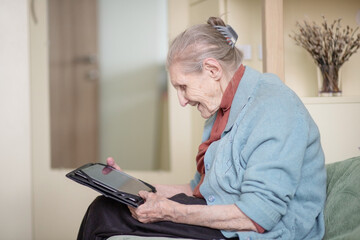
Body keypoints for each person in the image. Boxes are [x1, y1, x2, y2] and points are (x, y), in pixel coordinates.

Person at [77, 16, 326, 240]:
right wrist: (131, 187)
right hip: (224, 213)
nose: (182, 101)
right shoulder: (220, 109)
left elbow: (258, 216)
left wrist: (173, 212)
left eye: (183, 87)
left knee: (104, 216)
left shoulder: (274, 107)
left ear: (212, 69)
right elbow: (198, 189)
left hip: (259, 229)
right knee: (107, 206)